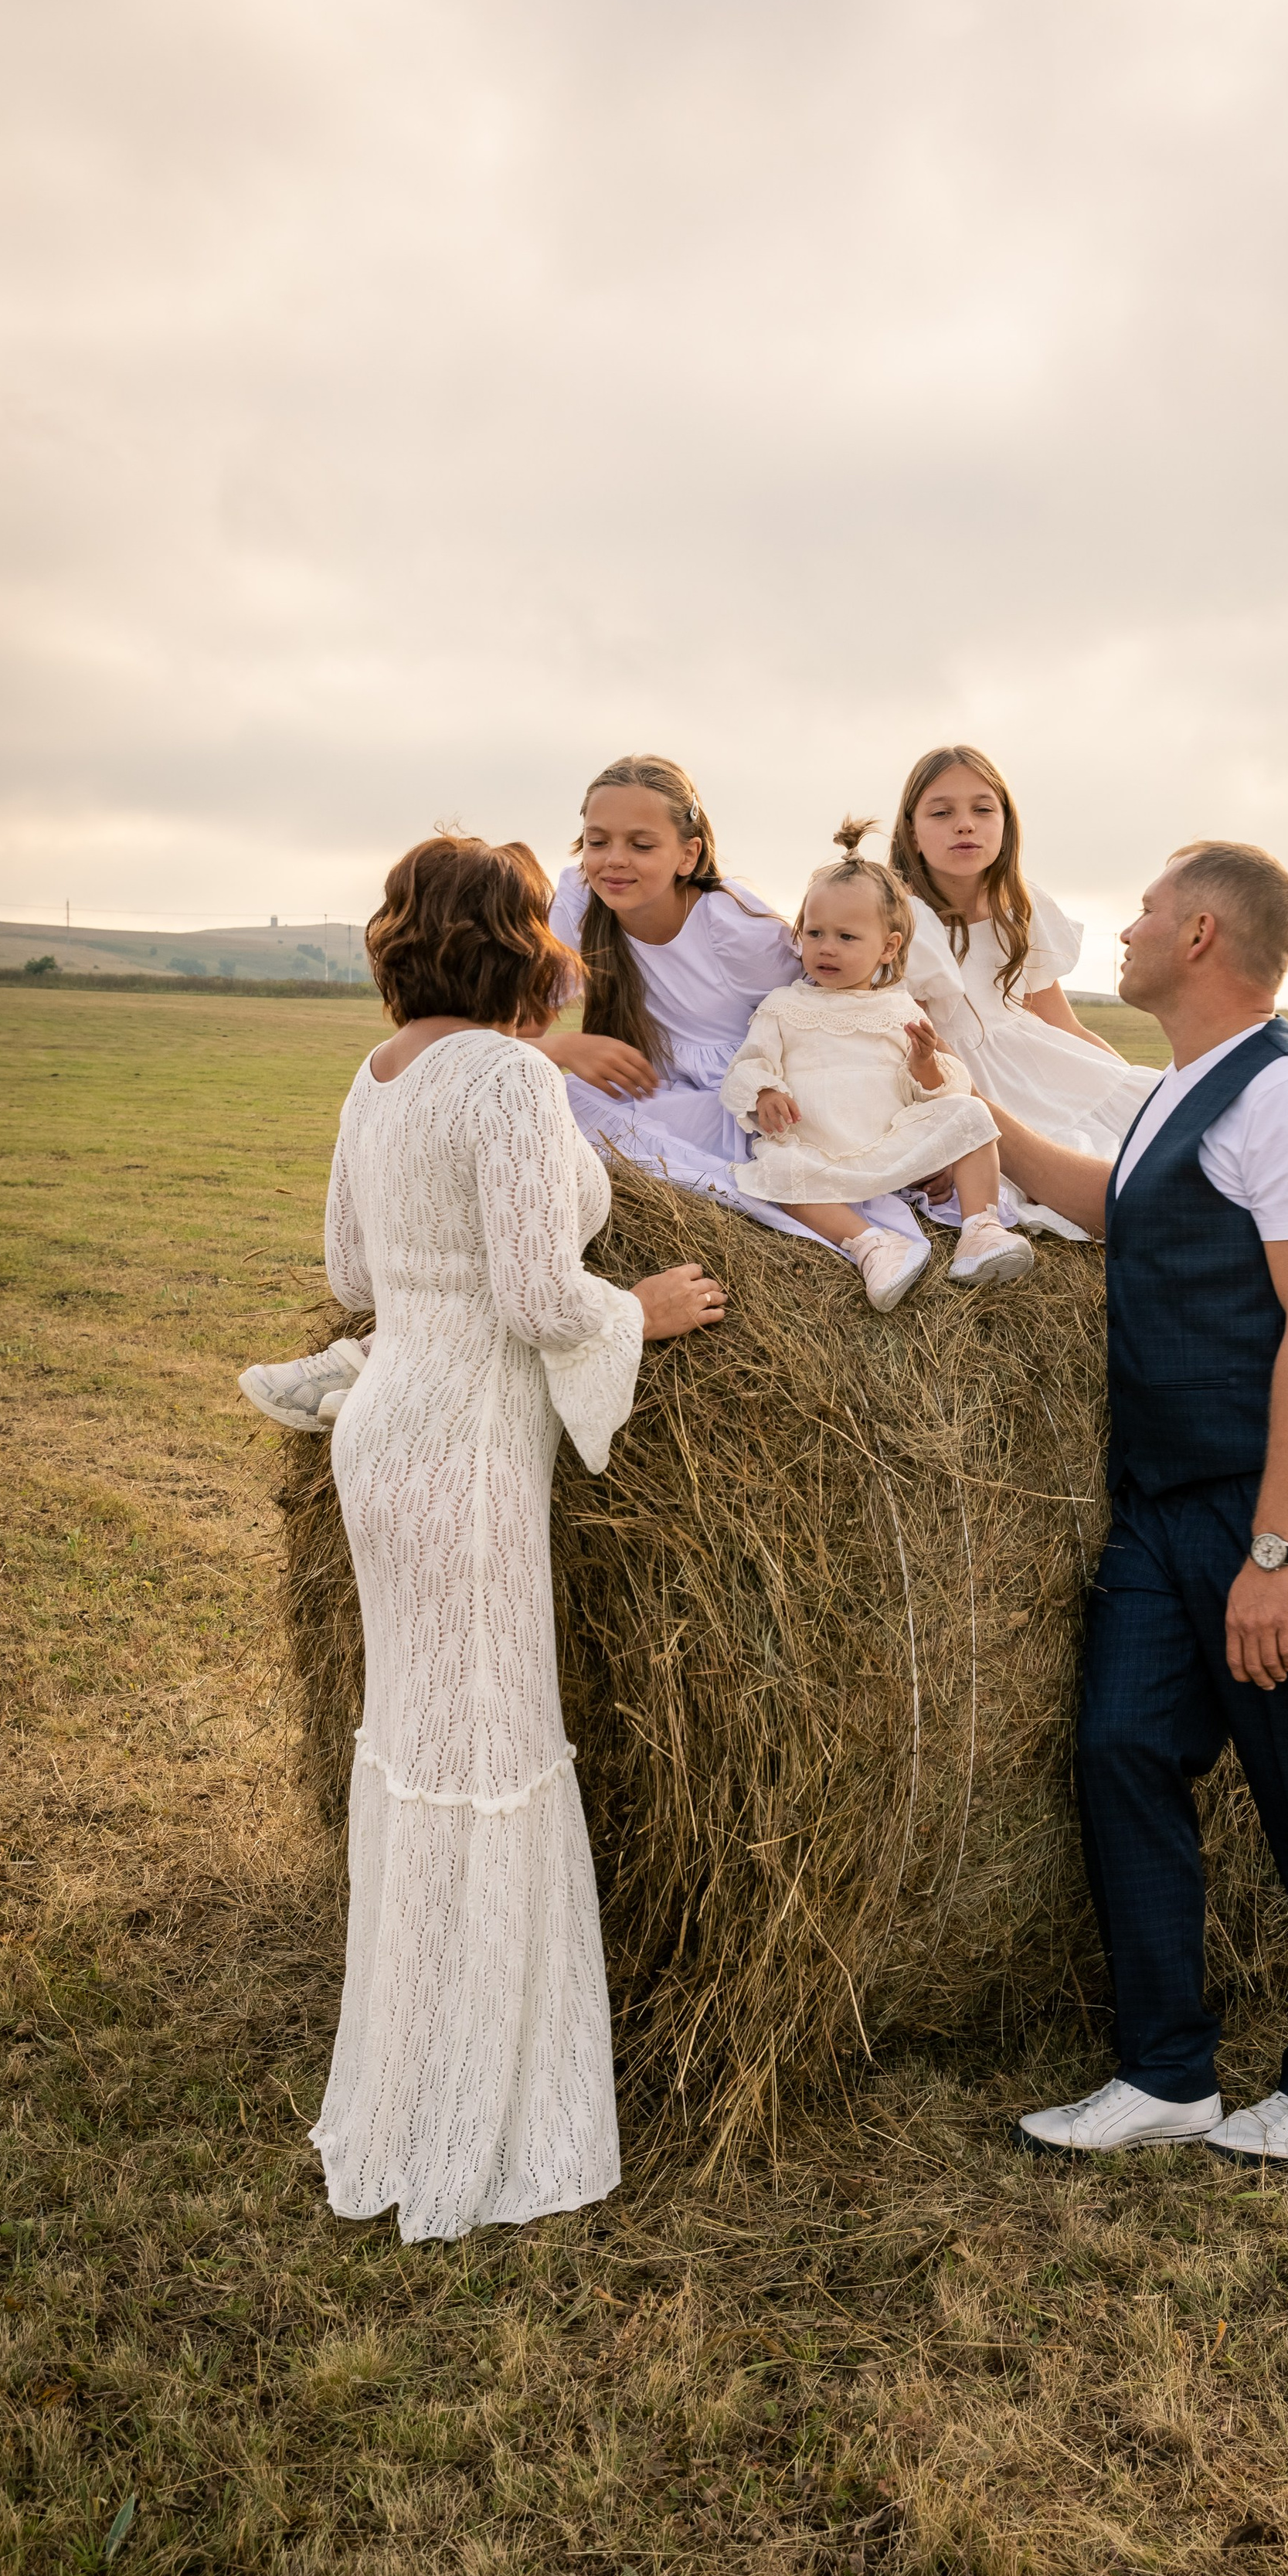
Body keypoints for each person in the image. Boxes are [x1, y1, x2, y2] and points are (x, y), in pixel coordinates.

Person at [309, 833, 724, 2241]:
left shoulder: (379, 1076)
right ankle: (472, 2118)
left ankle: (407, 2079)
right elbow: (546, 1298)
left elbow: (351, 1273)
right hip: (471, 1446)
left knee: (416, 1739)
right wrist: (642, 1312)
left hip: (385, 1432)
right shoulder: (504, 1079)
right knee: (488, 1749)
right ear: (517, 946)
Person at [987, 841, 1288, 2166]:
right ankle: (1167, 2072)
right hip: (1166, 1500)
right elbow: (1127, 1214)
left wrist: (1278, 1551)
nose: (1122, 930)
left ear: (1203, 937)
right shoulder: (1182, 1086)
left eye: (1145, 910)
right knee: (1122, 1749)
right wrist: (964, 1111)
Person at [237, 754, 926, 1427]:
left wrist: (902, 1101)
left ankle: (389, 1352)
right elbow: (500, 1036)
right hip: (650, 1094)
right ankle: (394, 1340)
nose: (614, 860)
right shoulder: (577, 904)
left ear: (688, 854)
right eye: (598, 841)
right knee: (541, 1114)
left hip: (741, 1102)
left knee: (552, 1131)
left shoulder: (735, 927)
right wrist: (563, 1048)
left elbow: (838, 1002)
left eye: (641, 844)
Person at [721, 820, 1035, 1308]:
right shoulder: (783, 1006)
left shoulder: (899, 1010)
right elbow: (748, 1064)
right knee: (775, 1174)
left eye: (847, 936)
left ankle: (980, 1231)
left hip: (891, 1146)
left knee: (971, 1112)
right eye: (815, 933)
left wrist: (925, 1063)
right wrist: (765, 1092)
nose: (826, 947)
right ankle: (873, 1247)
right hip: (820, 1148)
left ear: (888, 947)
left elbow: (933, 1094)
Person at [889, 743, 1164, 1235]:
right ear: (912, 830)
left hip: (1046, 1065)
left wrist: (1126, 1083)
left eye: (982, 809)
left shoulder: (1020, 903)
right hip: (969, 1080)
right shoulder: (905, 919)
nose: (965, 825)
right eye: (941, 812)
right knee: (1084, 1176)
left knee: (1158, 1126)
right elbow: (924, 1048)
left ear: (1006, 822)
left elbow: (1065, 1026)